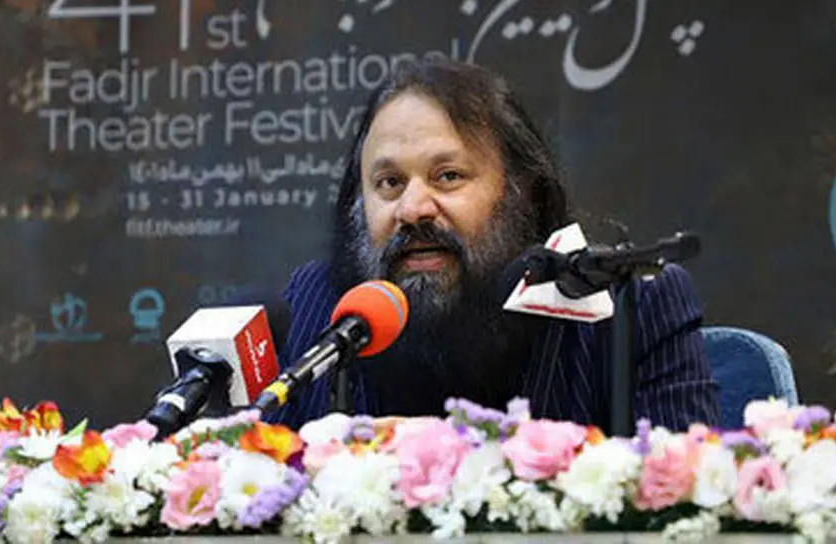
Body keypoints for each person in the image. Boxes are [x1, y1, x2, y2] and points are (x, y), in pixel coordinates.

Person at [266, 56, 719, 432]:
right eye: (389, 182)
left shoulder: (632, 304)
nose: (412, 208)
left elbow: (683, 499)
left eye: (448, 176)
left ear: (522, 192)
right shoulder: (322, 302)